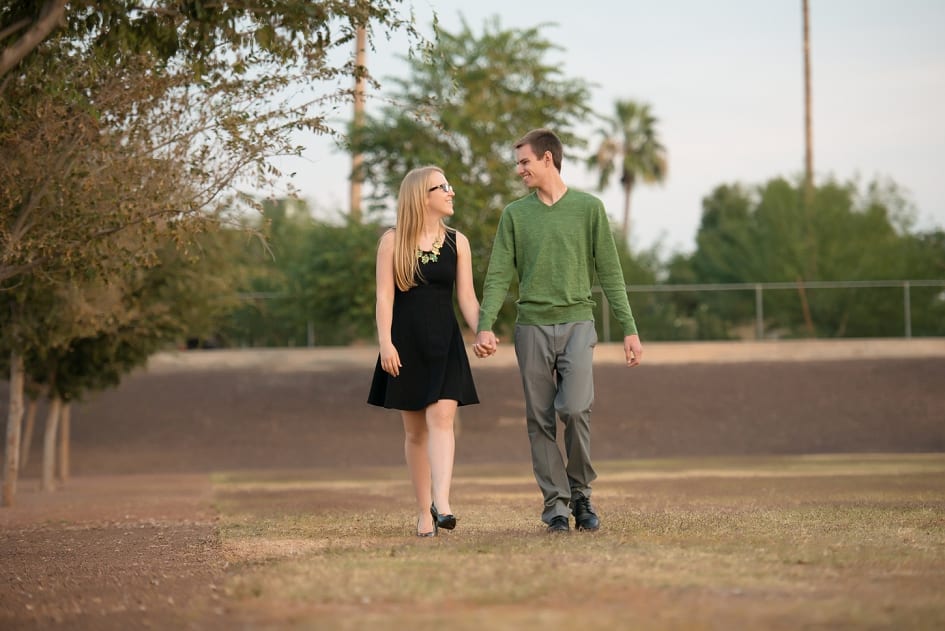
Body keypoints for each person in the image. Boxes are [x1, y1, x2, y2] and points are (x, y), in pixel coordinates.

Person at [474, 128, 643, 533]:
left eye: (524, 162)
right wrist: (484, 326)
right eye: (519, 164)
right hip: (531, 327)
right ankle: (555, 505)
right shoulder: (515, 214)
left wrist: (629, 329)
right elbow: (498, 274)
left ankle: (581, 493)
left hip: (577, 324)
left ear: (547, 159)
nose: (519, 171)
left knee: (574, 408)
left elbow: (611, 273)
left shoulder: (589, 208)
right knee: (539, 419)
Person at [367, 165, 482, 538]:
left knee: (443, 418)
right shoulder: (392, 241)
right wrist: (385, 342)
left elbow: (466, 296)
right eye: (442, 186)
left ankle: (443, 502)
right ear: (422, 195)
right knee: (415, 432)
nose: (451, 192)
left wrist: (484, 330)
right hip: (405, 345)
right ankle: (423, 512)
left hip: (445, 343)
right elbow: (384, 297)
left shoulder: (457, 242)